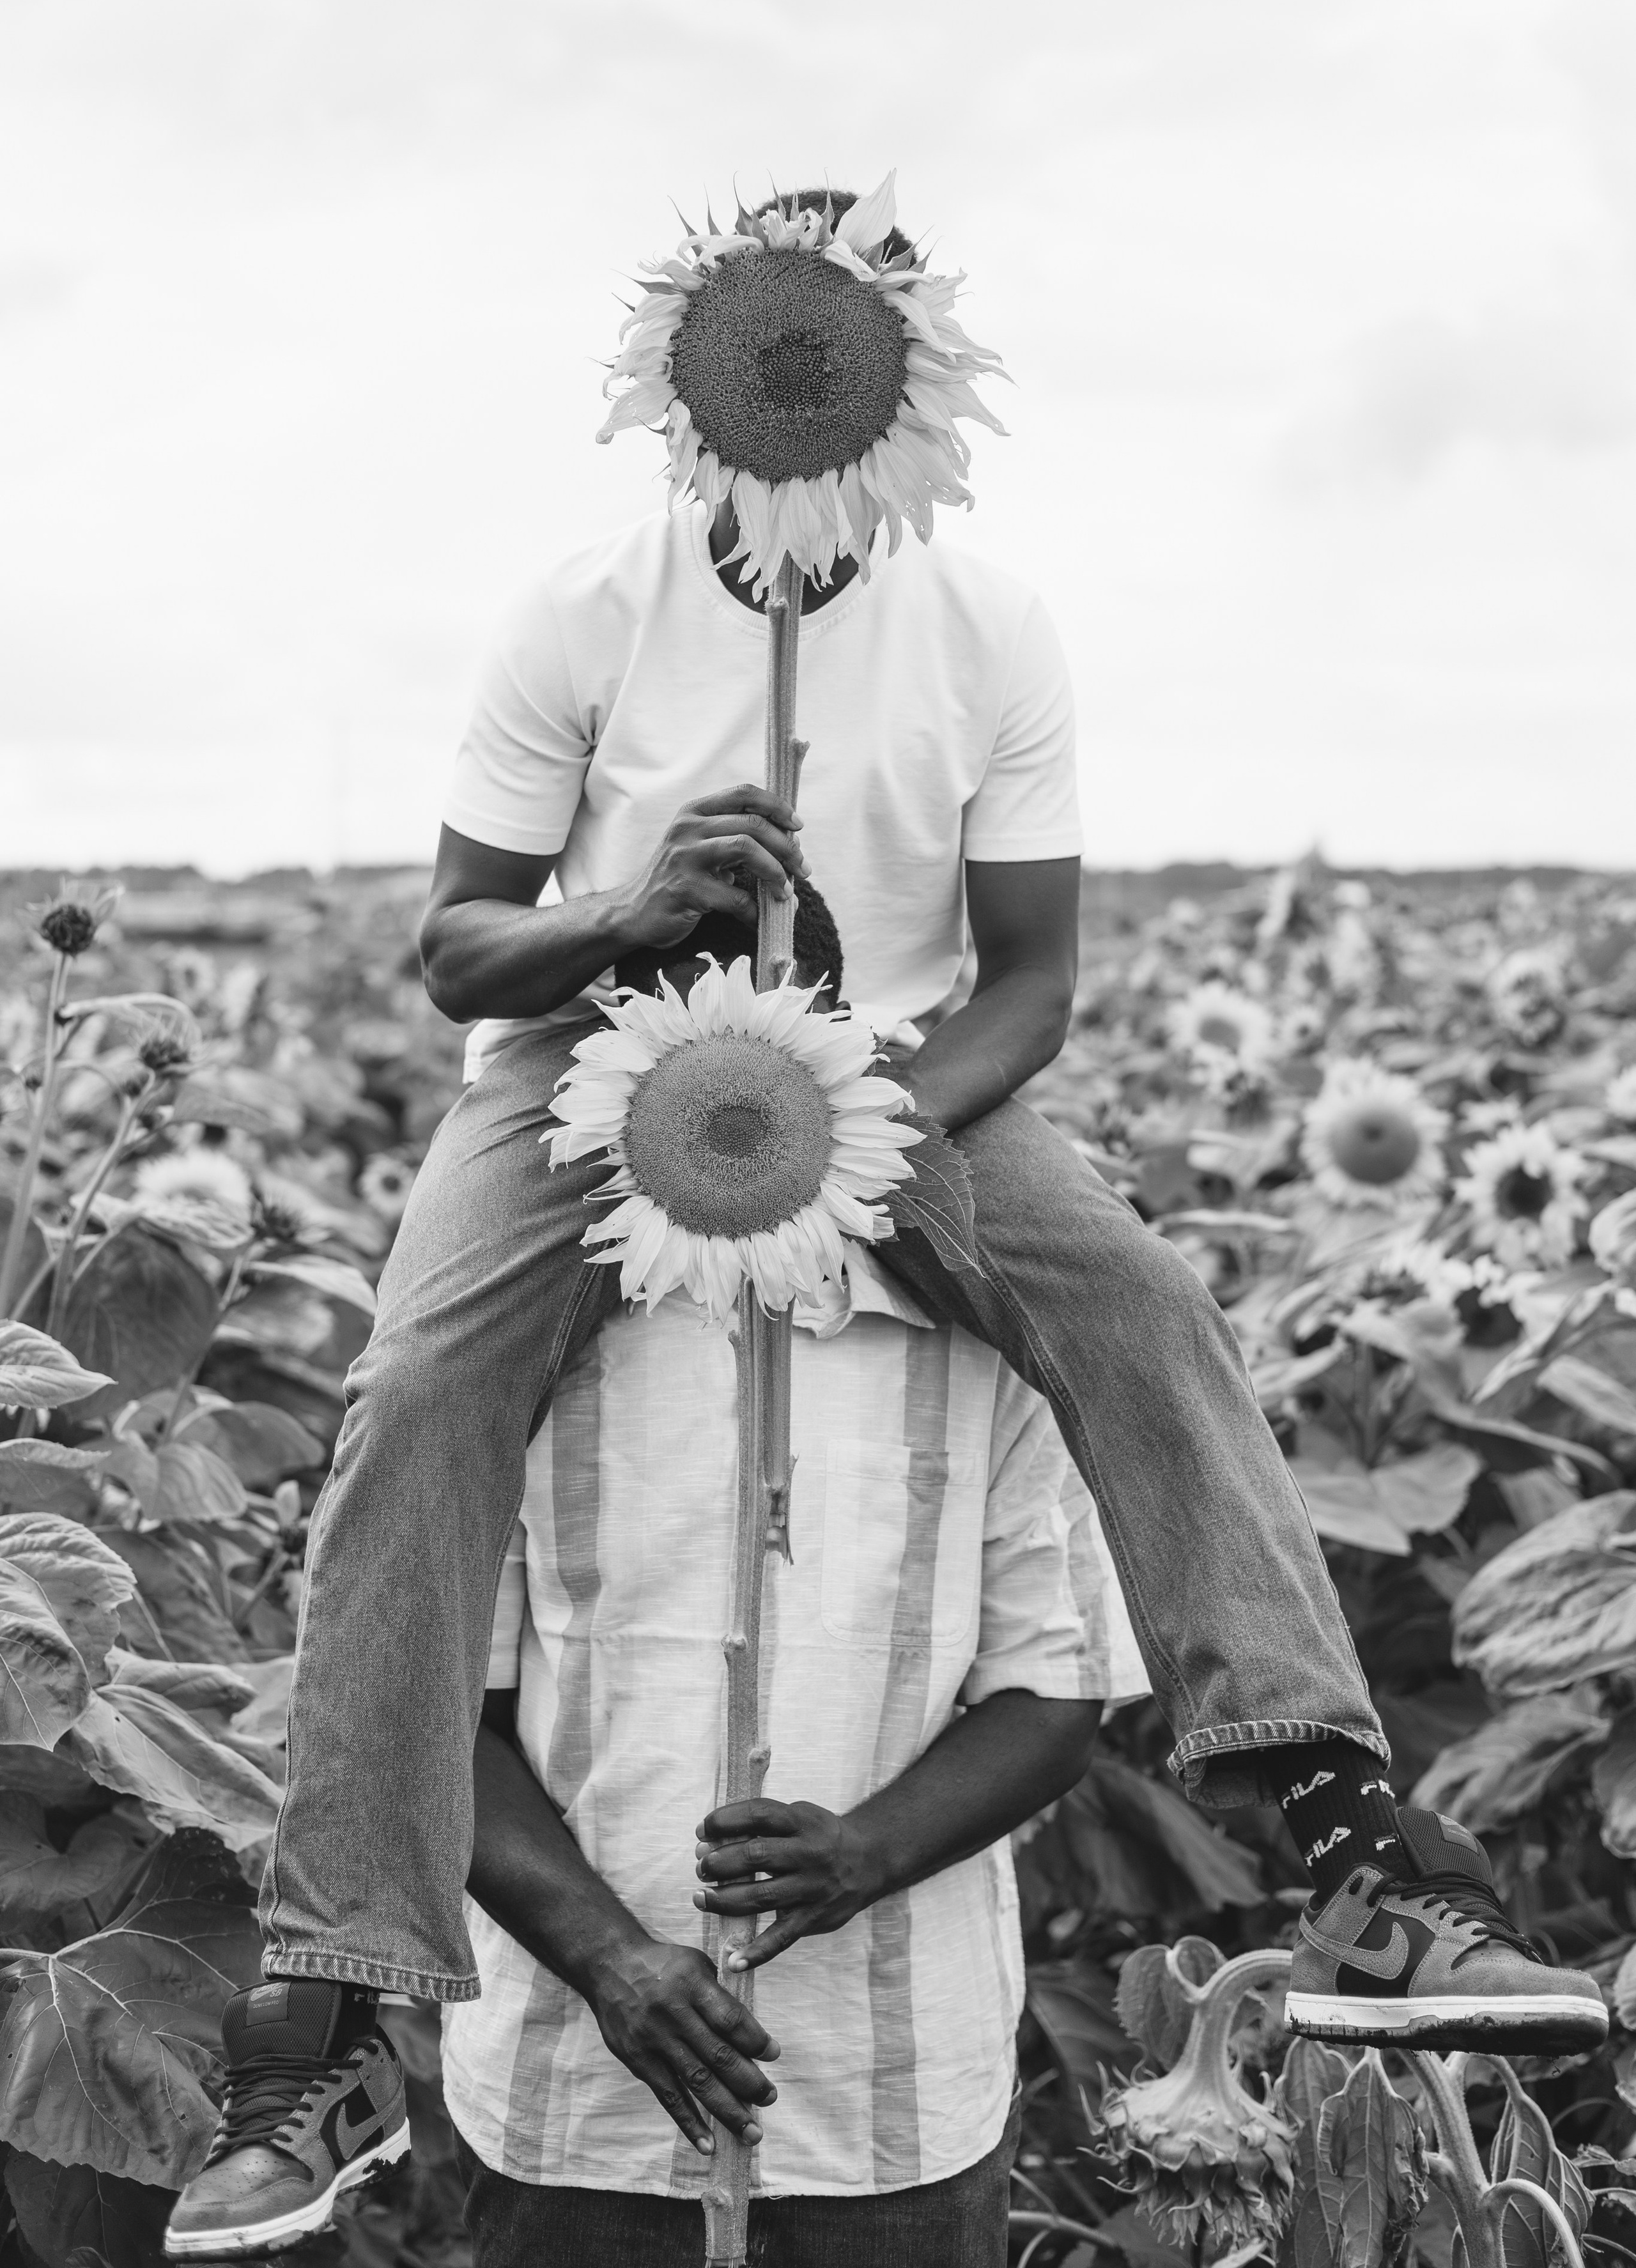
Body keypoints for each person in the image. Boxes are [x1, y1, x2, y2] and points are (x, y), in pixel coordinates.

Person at [164, 187, 1605, 2259]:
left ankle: (1345, 1837)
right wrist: (635, 911)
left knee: (1135, 1297)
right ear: (690, 386)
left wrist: (860, 1129)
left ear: (909, 387)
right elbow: (461, 948)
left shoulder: (989, 626)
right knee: (411, 1385)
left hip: (902, 1067)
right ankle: (337, 2013)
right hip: (589, 1069)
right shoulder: (585, 606)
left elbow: (1031, 980)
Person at [448, 1244, 1145, 2265]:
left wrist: (871, 1851)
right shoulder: (523, 1331)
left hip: (896, 2108)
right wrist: (603, 1956)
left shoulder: (991, 1344)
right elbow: (437, 1716)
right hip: (576, 2108)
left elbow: (1054, 1690)